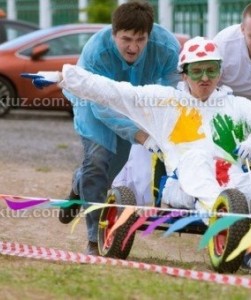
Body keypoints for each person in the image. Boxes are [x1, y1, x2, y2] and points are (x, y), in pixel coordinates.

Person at [25, 37, 251, 225]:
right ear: (184, 74)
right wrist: (64, 77)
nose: (205, 78)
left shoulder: (237, 105)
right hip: (184, 187)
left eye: (211, 70)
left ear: (220, 72)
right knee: (197, 158)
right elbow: (113, 91)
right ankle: (224, 215)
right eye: (197, 71)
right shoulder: (165, 102)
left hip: (234, 183)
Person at [60, 1, 180, 255]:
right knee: (98, 160)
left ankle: (79, 181)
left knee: (111, 171)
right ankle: (94, 238)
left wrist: (161, 126)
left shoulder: (167, 47)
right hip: (91, 99)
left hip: (134, 102)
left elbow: (172, 93)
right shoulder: (96, 51)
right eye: (126, 39)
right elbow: (101, 106)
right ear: (113, 33)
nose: (133, 47)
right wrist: (140, 134)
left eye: (140, 39)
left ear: (150, 34)